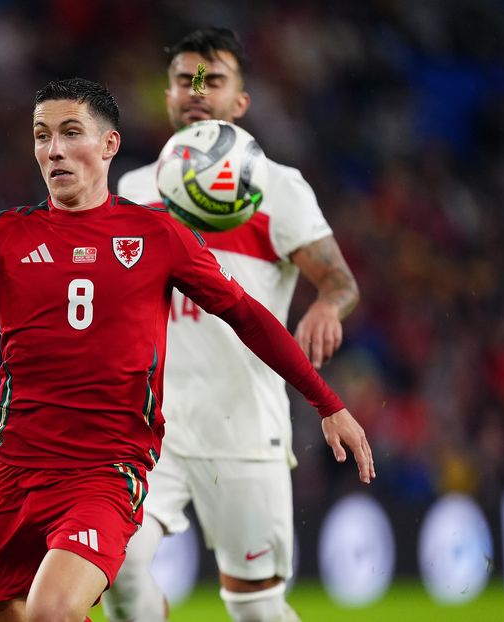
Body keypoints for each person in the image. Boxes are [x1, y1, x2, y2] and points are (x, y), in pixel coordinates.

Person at [0, 77, 373, 622]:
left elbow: (249, 316)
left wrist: (328, 403)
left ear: (108, 144)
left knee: (53, 609)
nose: (54, 149)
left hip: (106, 468)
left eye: (71, 132)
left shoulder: (157, 234)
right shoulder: (4, 236)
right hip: (15, 467)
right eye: (42, 135)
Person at [101, 28, 362, 622]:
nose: (197, 93)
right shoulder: (134, 190)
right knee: (115, 570)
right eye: (184, 81)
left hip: (244, 424)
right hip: (148, 426)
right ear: (166, 97)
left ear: (240, 102)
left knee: (256, 609)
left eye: (212, 80)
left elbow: (341, 281)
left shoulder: (280, 188)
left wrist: (325, 305)